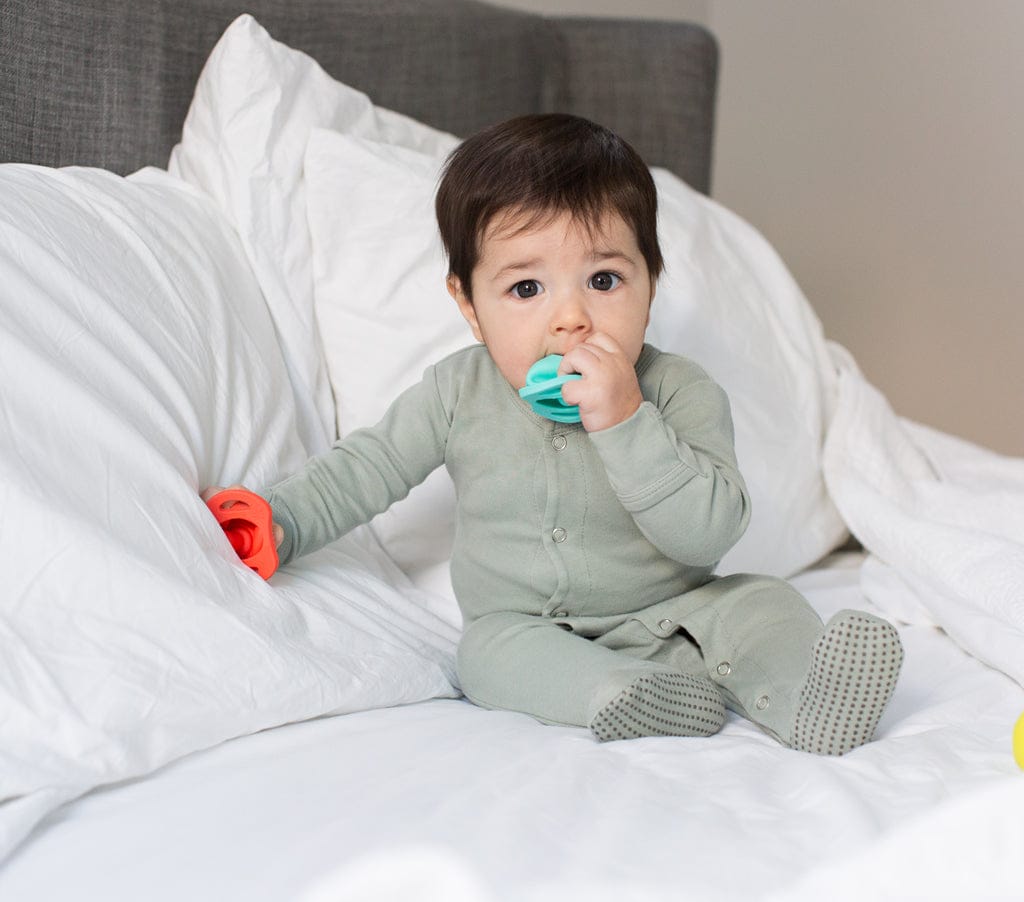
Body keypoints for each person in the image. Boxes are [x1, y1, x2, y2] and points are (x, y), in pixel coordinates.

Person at [204, 113, 903, 754]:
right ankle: (626, 694)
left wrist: (626, 420)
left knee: (761, 604)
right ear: (469, 306)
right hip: (528, 624)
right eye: (527, 289)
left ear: (650, 285)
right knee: (485, 656)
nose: (572, 318)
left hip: (679, 608)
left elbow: (708, 535)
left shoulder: (679, 390)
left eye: (604, 279)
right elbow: (368, 466)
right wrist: (283, 520)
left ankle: (808, 698)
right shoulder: (456, 391)